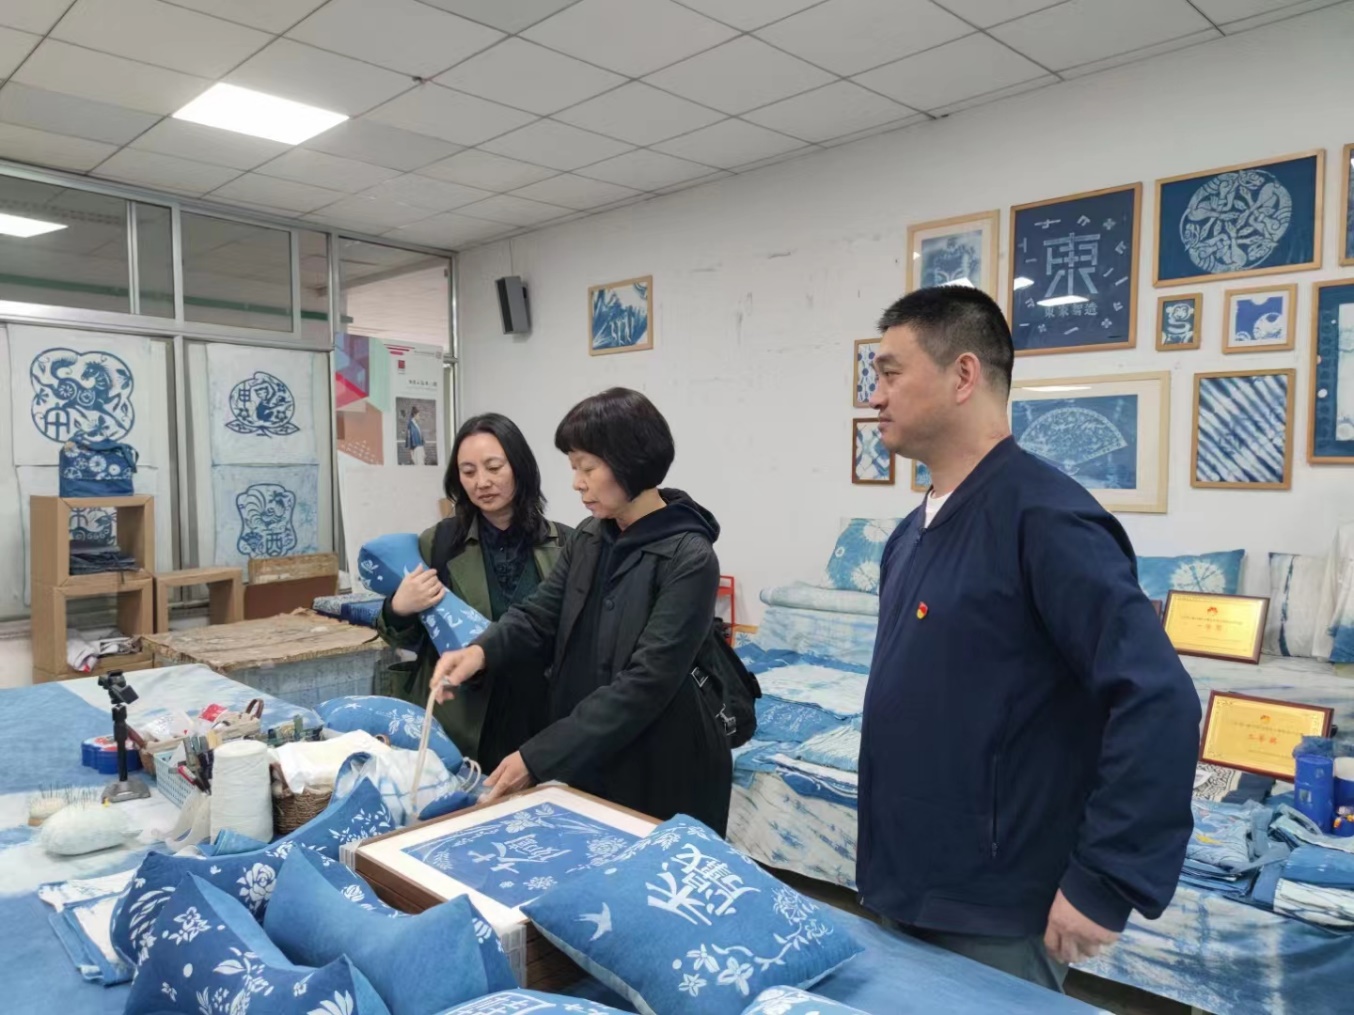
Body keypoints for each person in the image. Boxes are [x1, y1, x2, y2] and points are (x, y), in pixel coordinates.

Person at [857, 286, 1201, 992]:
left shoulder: (1046, 519)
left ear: (963, 375)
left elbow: (1157, 698)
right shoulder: (909, 534)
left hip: (994, 906)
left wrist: (1106, 877)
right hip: (905, 877)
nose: (874, 396)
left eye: (890, 373)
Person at [431, 388, 733, 833]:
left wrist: (536, 757)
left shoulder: (689, 557)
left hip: (661, 766)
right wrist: (478, 653)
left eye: (587, 468)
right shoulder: (590, 536)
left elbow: (646, 683)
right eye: (574, 467)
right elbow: (539, 615)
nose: (577, 482)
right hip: (590, 753)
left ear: (630, 462)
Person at [375, 413, 571, 772]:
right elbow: (412, 638)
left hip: (541, 715)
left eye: (494, 468)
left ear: (520, 468)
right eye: (468, 472)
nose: (482, 482)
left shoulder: (566, 544)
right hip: (463, 716)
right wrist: (398, 608)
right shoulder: (438, 543)